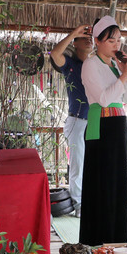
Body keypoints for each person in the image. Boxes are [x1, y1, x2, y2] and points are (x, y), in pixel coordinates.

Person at [79, 15, 127, 245]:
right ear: (97, 41)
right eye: (111, 41)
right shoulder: (90, 64)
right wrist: (123, 76)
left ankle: (117, 241)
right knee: (101, 186)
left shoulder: (114, 66)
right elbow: (103, 100)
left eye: (119, 40)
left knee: (118, 186)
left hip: (118, 127)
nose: (117, 45)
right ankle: (96, 242)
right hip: (101, 127)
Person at [50, 25, 93, 216]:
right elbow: (55, 53)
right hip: (77, 120)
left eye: (90, 37)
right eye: (84, 37)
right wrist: (74, 34)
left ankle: (89, 201)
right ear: (75, 43)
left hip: (94, 121)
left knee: (91, 164)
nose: (88, 39)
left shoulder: (95, 66)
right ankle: (78, 205)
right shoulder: (70, 65)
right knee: (77, 164)